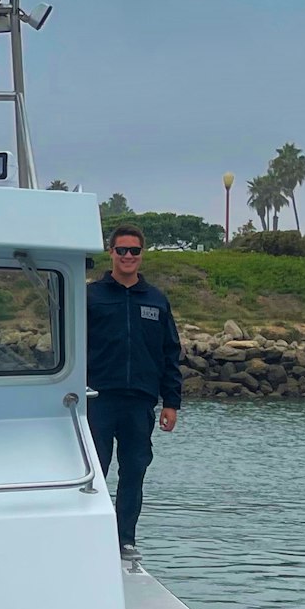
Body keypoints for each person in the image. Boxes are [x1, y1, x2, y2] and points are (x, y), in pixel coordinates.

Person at [85, 222, 181, 556]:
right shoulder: (91, 296)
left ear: (142, 255)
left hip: (140, 401)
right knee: (94, 472)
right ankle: (90, 538)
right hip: (97, 398)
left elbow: (170, 352)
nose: (128, 256)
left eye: (134, 251)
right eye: (121, 250)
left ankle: (125, 538)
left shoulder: (156, 299)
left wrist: (172, 402)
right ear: (111, 252)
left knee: (135, 470)